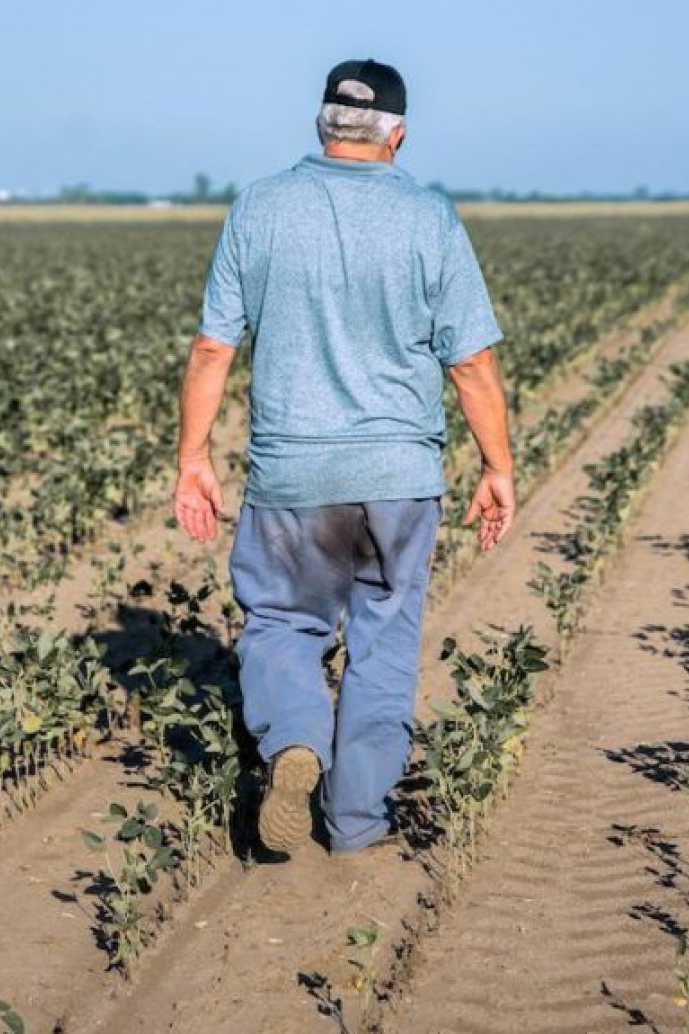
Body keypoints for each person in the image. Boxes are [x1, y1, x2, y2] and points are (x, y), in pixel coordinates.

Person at [172, 58, 515, 855]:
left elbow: (211, 349)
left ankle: (295, 739)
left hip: (292, 476)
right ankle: (358, 824)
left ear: (321, 125)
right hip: (399, 479)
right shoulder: (430, 218)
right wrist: (497, 467)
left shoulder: (258, 208)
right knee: (383, 644)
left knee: (284, 626)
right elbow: (472, 366)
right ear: (397, 134)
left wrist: (194, 456)